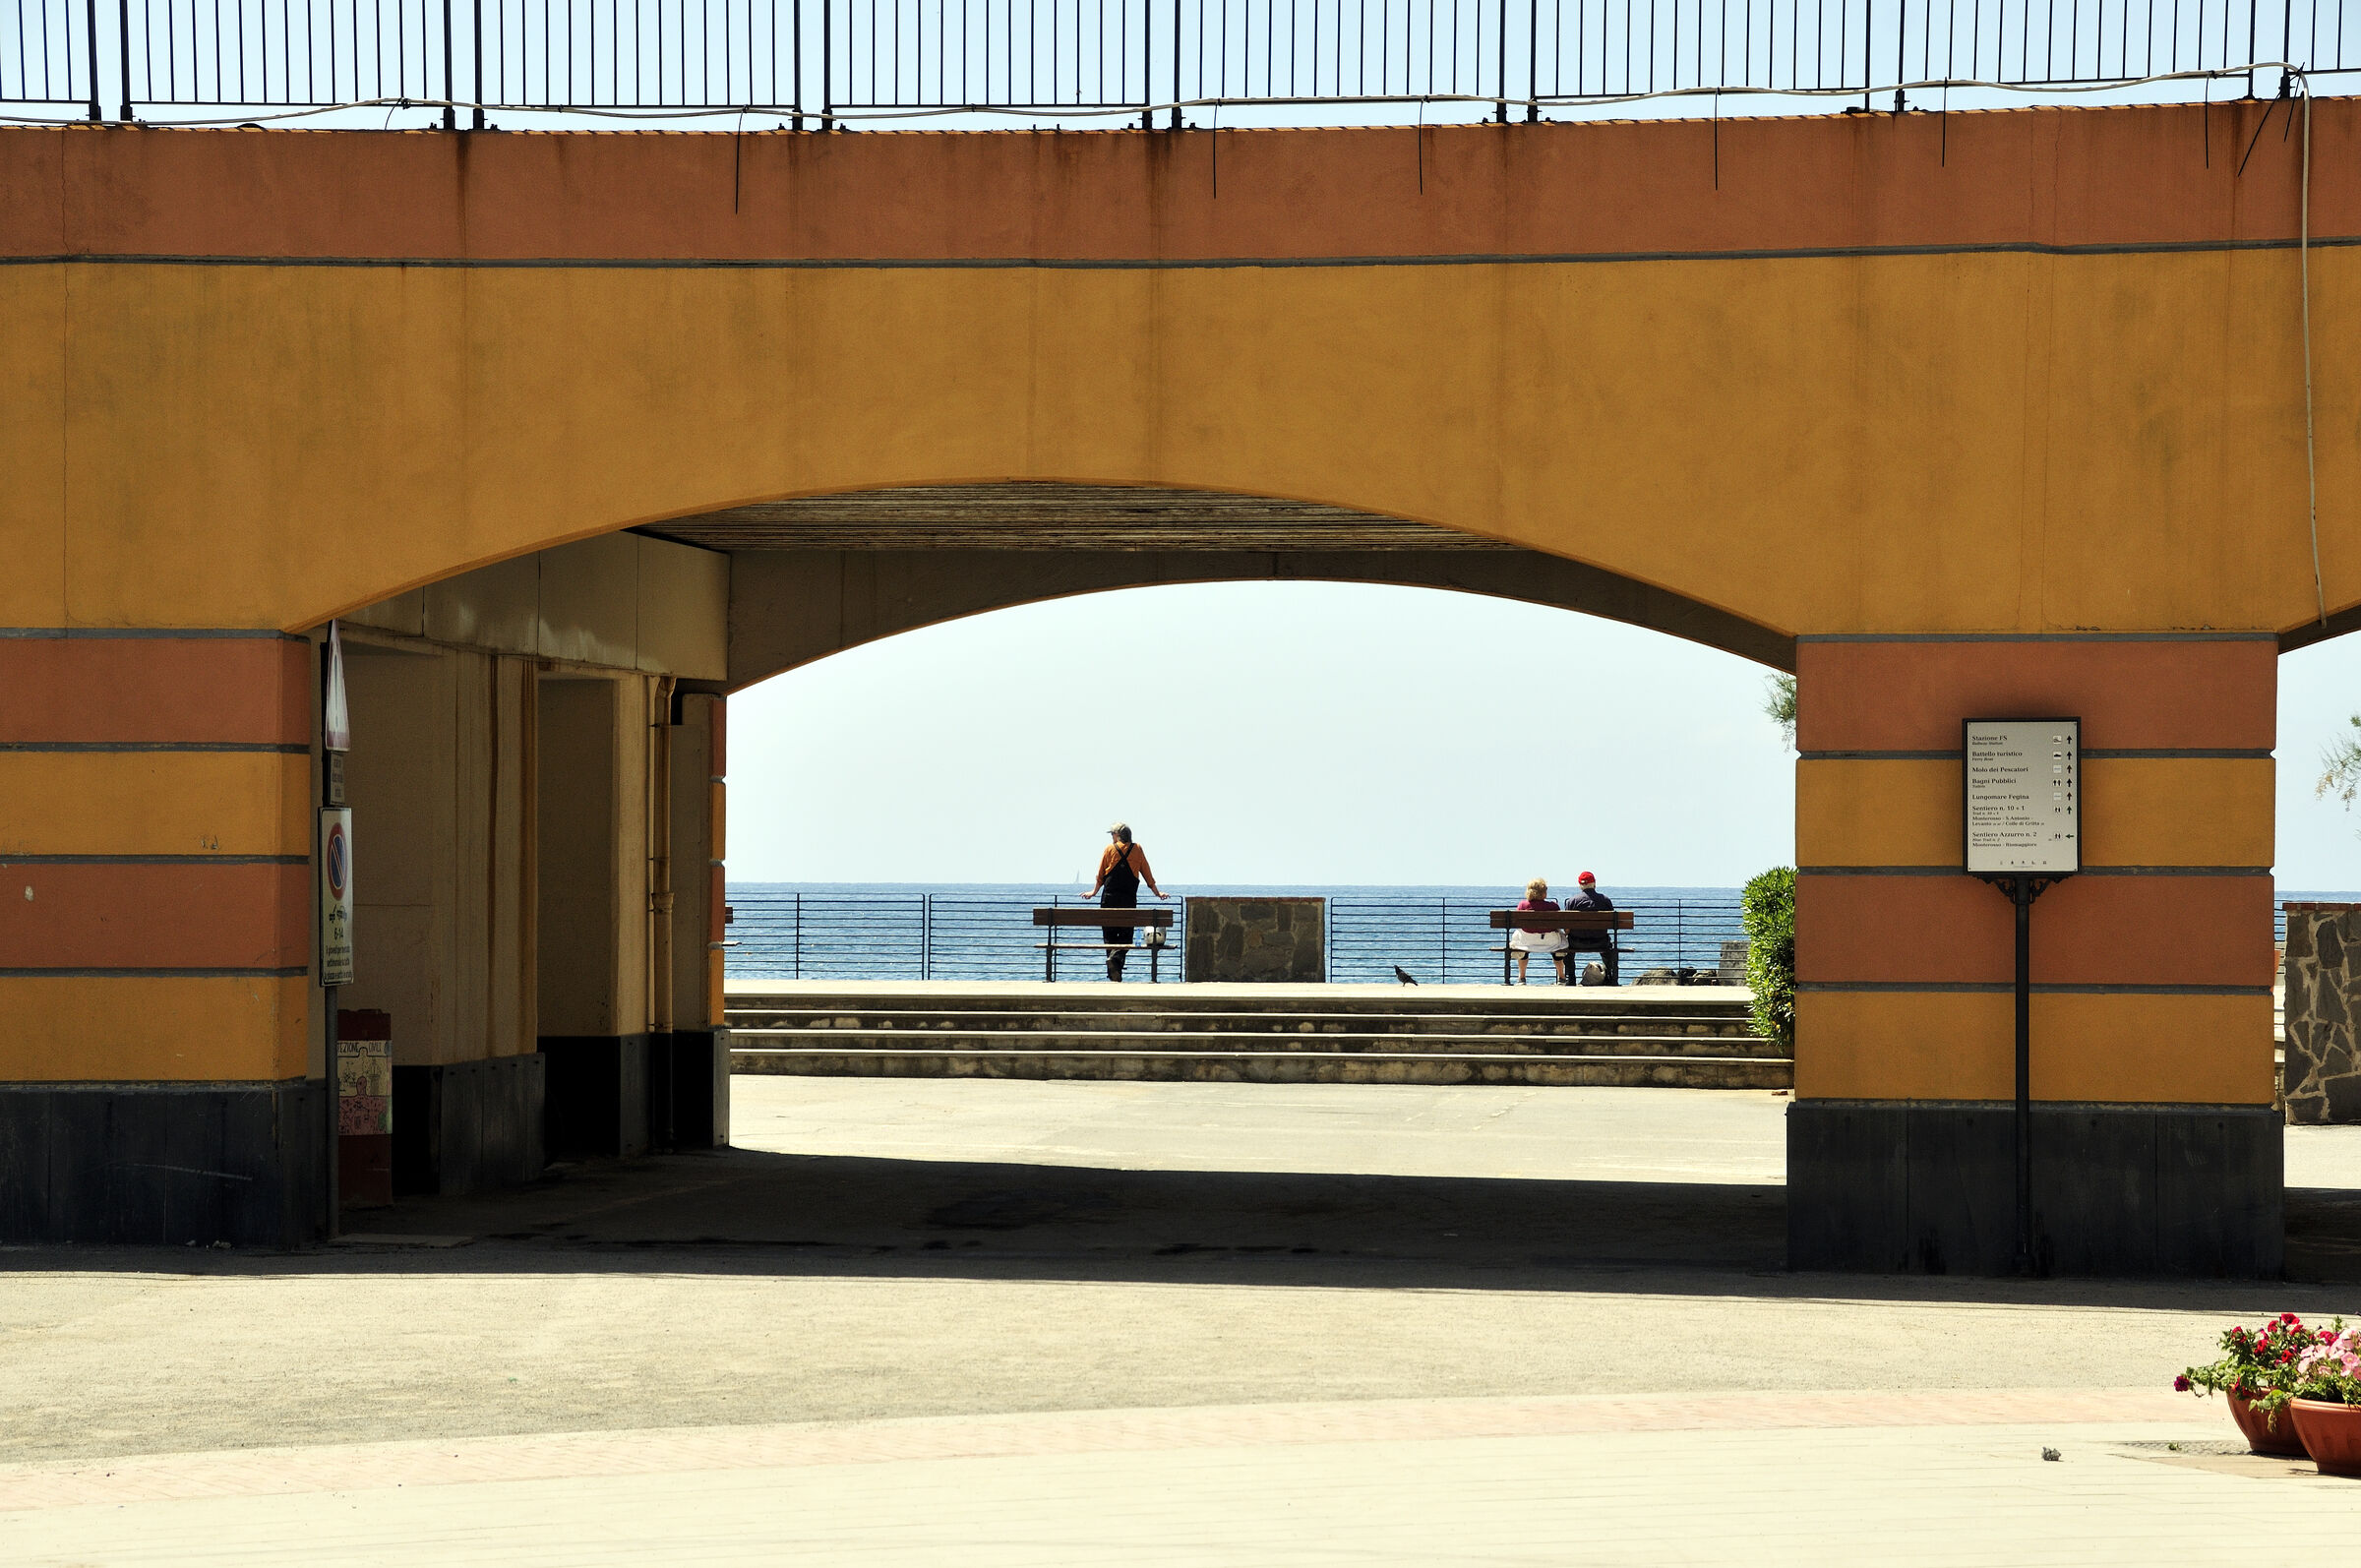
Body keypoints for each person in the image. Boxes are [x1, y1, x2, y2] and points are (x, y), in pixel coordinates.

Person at [1084, 822, 1167, 981]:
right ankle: (1115, 967)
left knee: (1109, 936)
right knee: (1126, 937)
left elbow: (1101, 874)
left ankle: (1113, 970)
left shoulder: (1109, 849)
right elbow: (1147, 874)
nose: (1112, 838)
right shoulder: (1137, 849)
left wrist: (1094, 892)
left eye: (1112, 835)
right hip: (1128, 900)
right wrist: (1157, 892)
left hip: (1108, 899)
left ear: (1117, 835)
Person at [1508, 877, 1568, 985]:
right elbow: (1561, 925)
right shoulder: (1553, 906)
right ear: (1543, 893)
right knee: (1560, 942)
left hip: (1527, 943)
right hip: (1551, 943)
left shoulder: (1522, 905)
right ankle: (1561, 977)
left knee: (1518, 939)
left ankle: (1522, 978)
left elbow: (1518, 923)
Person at [1564, 871, 1618, 986]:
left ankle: (1571, 978)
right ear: (1594, 883)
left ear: (1580, 885)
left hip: (1576, 943)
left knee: (1566, 945)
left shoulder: (1571, 901)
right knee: (1608, 949)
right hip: (1601, 942)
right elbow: (1611, 926)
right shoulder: (1605, 900)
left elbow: (1567, 928)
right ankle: (1610, 977)